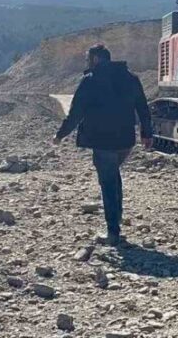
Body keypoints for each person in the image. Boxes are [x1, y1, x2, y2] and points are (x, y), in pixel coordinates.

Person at [53, 43, 152, 246]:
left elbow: (75, 114)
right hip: (125, 141)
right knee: (113, 177)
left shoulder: (90, 81)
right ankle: (116, 223)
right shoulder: (131, 78)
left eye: (88, 58)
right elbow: (143, 108)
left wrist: (60, 135)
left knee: (107, 183)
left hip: (102, 140)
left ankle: (112, 232)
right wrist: (146, 133)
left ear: (96, 59)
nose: (86, 62)